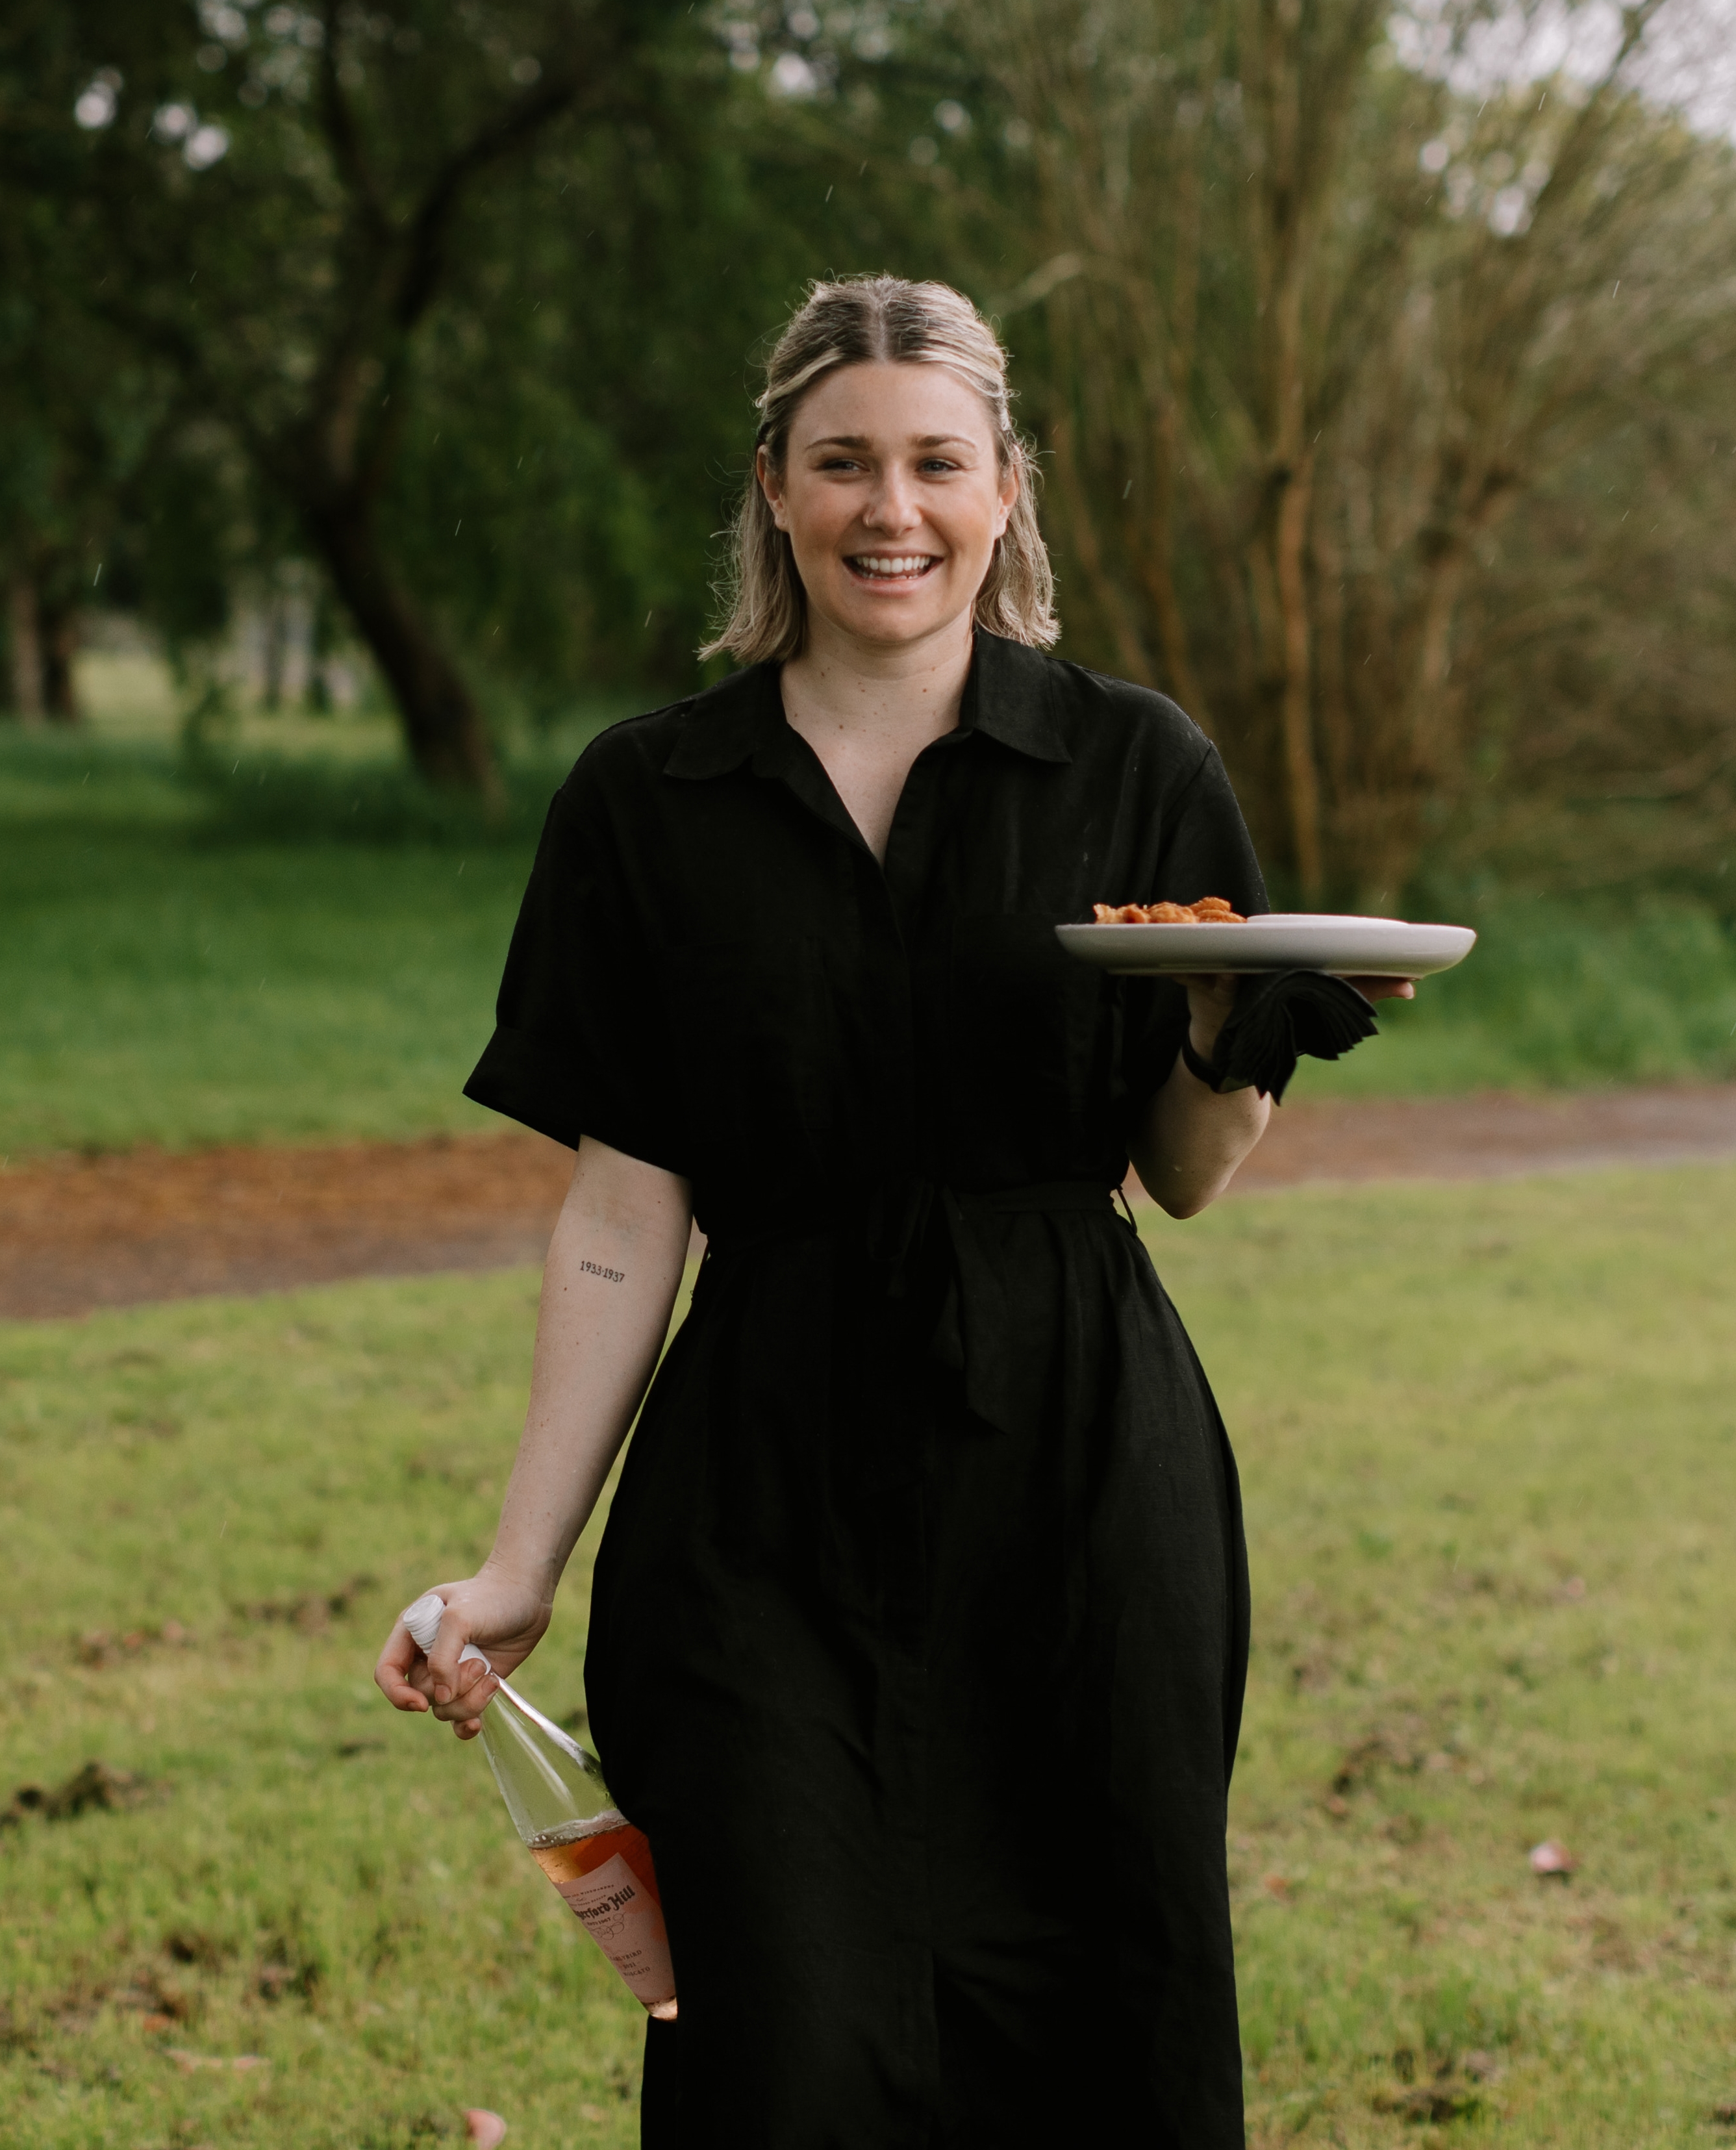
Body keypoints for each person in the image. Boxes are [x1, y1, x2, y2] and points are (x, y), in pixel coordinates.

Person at [374, 273, 1408, 2149]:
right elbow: (624, 1206)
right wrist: (522, 1563)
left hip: (1079, 1472)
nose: (892, 509)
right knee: (783, 2037)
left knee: (1097, 2028)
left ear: (1007, 489)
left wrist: (1221, 1026)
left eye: (937, 462)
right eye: (844, 462)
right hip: (759, 1489)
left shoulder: (1137, 764)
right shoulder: (648, 800)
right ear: (775, 487)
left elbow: (1184, 1178)